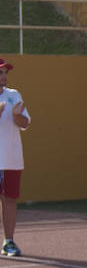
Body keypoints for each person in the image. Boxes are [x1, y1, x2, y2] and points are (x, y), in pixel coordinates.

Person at [0, 59, 31, 257]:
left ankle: (8, 242)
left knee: (10, 200)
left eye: (5, 73)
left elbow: (25, 123)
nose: (4, 76)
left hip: (11, 159)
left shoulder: (14, 95)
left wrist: (16, 115)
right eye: (1, 73)